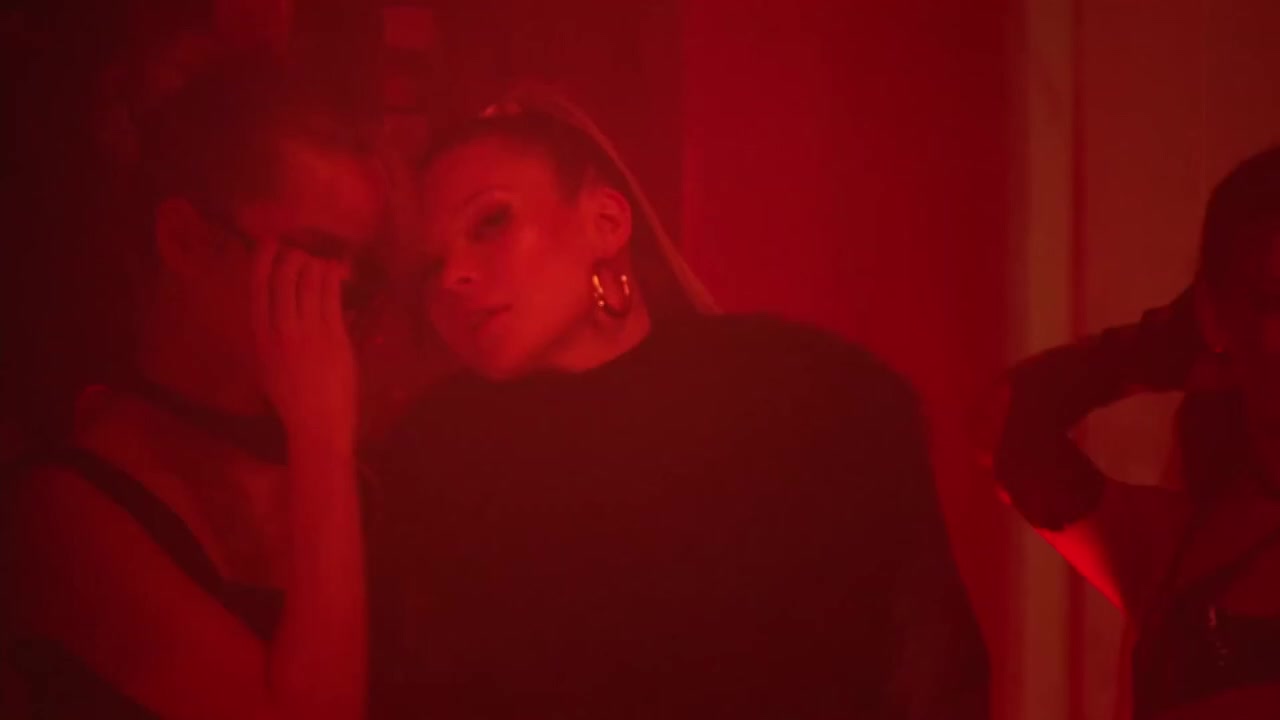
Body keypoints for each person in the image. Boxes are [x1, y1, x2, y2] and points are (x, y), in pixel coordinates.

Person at [365, 92, 989, 719]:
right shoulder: (430, 466)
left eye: (490, 222)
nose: (453, 277)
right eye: (429, 266)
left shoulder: (810, 400)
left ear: (606, 222)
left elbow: (932, 670)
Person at [0, 58, 384, 719]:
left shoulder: (358, 476)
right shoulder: (60, 507)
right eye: (315, 254)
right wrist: (322, 437)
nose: (344, 293)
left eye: (361, 267)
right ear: (184, 240)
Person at [990, 146, 1280, 719]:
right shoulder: (1176, 546)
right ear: (1215, 314)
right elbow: (1003, 423)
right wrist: (1166, 343)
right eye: (1275, 298)